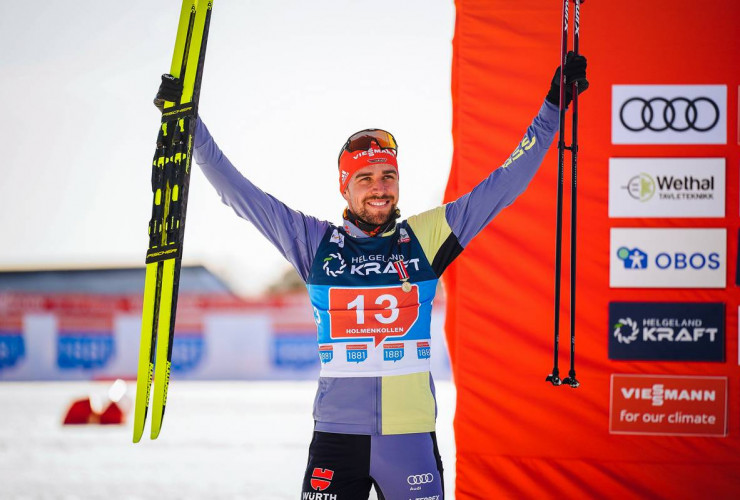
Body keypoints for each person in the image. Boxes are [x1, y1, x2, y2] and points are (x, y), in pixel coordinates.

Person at [154, 53, 587, 499]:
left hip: (410, 438)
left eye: (387, 176)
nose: (379, 188)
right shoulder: (314, 242)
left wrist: (553, 106)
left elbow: (505, 183)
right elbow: (237, 191)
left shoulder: (428, 235)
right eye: (365, 179)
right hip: (337, 437)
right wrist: (190, 127)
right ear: (345, 187)